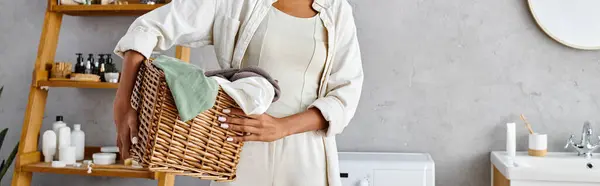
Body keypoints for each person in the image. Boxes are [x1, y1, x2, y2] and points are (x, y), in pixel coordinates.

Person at [112, 0, 363, 185]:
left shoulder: (337, 10)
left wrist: (283, 126)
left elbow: (345, 94)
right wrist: (123, 103)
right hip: (238, 151)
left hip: (307, 159)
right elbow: (149, 27)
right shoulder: (235, 2)